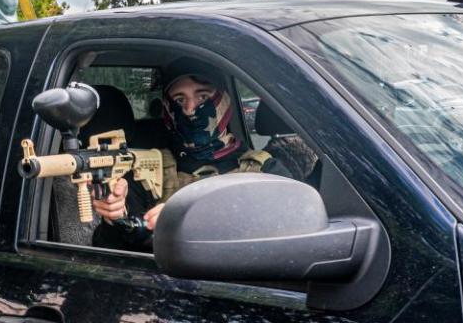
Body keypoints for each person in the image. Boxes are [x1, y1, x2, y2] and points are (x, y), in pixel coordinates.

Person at [91, 57, 318, 251]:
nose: (189, 110)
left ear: (225, 102)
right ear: (168, 109)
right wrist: (115, 218)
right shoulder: (148, 171)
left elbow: (300, 236)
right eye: (179, 100)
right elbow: (112, 257)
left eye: (202, 97)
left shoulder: (266, 170)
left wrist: (200, 217)